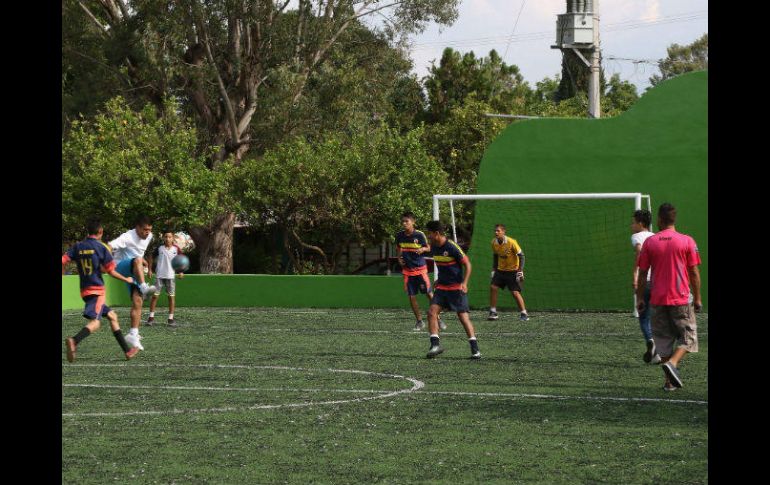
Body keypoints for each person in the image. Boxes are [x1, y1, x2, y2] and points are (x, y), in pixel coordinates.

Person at [636, 203, 703, 391]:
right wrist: (697, 298)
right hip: (680, 298)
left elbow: (642, 273)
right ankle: (673, 362)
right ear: (674, 219)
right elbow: (694, 272)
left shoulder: (650, 242)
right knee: (689, 337)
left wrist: (640, 298)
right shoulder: (687, 240)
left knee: (663, 340)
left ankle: (668, 382)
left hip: (657, 299)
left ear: (659, 219)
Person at [62, 218, 140, 362]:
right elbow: (111, 271)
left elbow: (63, 260)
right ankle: (74, 340)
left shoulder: (78, 246)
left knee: (112, 316)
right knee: (95, 322)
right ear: (100, 232)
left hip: (85, 291)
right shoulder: (102, 247)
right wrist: (126, 279)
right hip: (97, 290)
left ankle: (127, 351)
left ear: (88, 232)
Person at [424, 220, 481, 359]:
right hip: (442, 288)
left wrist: (464, 283)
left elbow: (468, 265)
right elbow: (445, 266)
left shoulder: (452, 247)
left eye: (429, 233)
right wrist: (439, 279)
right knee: (432, 312)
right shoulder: (434, 246)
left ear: (436, 233)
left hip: (456, 288)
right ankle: (435, 345)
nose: (428, 236)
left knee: (463, 317)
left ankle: (475, 349)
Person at [108, 215, 157, 351]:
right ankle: (144, 287)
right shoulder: (127, 237)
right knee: (136, 260)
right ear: (137, 228)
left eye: (149, 230)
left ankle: (133, 334)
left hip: (135, 269)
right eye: (144, 230)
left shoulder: (149, 236)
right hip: (120, 266)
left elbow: (139, 252)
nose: (147, 233)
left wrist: (144, 261)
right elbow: (109, 246)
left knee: (138, 301)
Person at [395, 212, 445, 331]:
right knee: (412, 297)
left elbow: (428, 247)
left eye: (407, 221)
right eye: (403, 221)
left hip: (420, 270)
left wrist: (422, 249)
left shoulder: (420, 235)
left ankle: (438, 319)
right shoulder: (399, 236)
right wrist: (399, 258)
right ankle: (419, 321)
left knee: (429, 294)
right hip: (407, 271)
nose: (404, 223)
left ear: (413, 222)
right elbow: (398, 248)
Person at [631, 209, 660, 364]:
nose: (631, 225)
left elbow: (639, 254)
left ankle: (651, 341)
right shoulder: (655, 237)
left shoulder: (637, 236)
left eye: (633, 222)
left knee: (643, 317)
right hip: (658, 282)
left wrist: (635, 276)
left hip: (645, 282)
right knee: (657, 317)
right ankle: (658, 352)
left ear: (641, 224)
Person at [487, 224, 529, 322]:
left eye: (498, 231)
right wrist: (494, 269)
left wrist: (520, 270)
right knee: (493, 287)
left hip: (512, 271)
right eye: (495, 231)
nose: (496, 232)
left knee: (515, 292)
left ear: (503, 232)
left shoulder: (511, 242)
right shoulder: (494, 242)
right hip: (500, 270)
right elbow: (495, 256)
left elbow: (521, 255)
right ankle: (493, 312)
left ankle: (524, 313)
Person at [146, 231, 185, 327]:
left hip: (171, 276)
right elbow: (150, 256)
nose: (168, 238)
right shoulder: (159, 248)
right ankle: (151, 318)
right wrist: (150, 269)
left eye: (170, 237)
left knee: (171, 297)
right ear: (163, 238)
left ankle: (170, 319)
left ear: (173, 238)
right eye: (166, 236)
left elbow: (181, 260)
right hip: (159, 275)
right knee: (155, 296)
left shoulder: (176, 249)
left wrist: (181, 271)